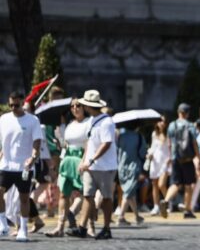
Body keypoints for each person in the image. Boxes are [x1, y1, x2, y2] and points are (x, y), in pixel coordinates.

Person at [66, 90, 117, 240]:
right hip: (90, 166)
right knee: (87, 196)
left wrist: (92, 160)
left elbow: (106, 143)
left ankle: (107, 228)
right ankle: (82, 228)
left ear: (88, 106)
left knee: (106, 198)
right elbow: (89, 142)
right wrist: (84, 160)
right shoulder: (90, 122)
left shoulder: (107, 121)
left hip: (105, 167)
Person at [0, 91, 43, 242]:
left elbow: (37, 142)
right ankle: (2, 223)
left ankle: (23, 229)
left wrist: (33, 157)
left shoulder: (33, 120)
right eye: (10, 105)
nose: (13, 108)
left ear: (22, 103)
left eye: (16, 105)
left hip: (24, 167)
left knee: (24, 199)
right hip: (6, 165)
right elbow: (3, 143)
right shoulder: (3, 119)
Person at [45, 98, 89, 237]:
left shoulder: (89, 123)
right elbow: (67, 144)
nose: (75, 108)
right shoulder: (70, 125)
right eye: (72, 106)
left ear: (84, 107)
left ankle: (86, 224)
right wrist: (60, 145)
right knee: (64, 194)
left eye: (78, 105)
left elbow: (89, 144)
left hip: (81, 160)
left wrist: (84, 161)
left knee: (86, 193)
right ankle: (60, 227)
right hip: (67, 160)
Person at [160, 103, 200, 219]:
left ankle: (166, 200)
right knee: (188, 185)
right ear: (187, 113)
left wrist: (171, 156)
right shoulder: (190, 125)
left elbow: (169, 143)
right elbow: (194, 143)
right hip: (187, 159)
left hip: (175, 158)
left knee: (175, 183)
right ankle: (187, 210)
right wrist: (198, 157)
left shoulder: (172, 125)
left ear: (178, 112)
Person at [115, 127, 147, 226]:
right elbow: (143, 152)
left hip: (121, 166)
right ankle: (121, 217)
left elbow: (117, 151)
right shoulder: (139, 136)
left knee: (129, 191)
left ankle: (137, 216)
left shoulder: (120, 136)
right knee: (128, 191)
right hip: (134, 166)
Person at [147, 116, 170, 216]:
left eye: (163, 121)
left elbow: (170, 148)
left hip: (165, 161)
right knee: (154, 184)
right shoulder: (154, 134)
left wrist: (170, 159)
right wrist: (149, 154)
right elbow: (152, 147)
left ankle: (167, 203)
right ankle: (156, 206)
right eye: (159, 121)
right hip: (155, 161)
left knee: (161, 184)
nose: (161, 123)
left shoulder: (168, 134)